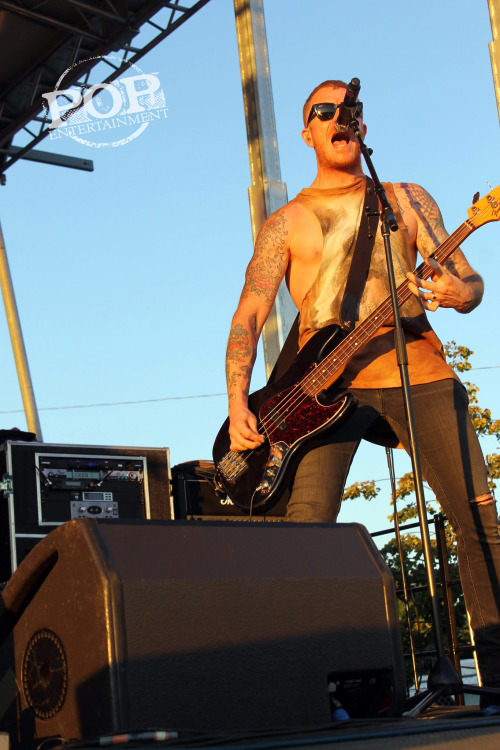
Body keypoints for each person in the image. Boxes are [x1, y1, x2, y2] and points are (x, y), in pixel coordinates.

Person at [224, 79, 500, 696]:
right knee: (307, 533)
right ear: (308, 133)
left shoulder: (405, 198)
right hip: (324, 395)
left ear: (362, 127)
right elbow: (250, 312)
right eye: (323, 111)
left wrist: (462, 293)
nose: (338, 118)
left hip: (419, 371)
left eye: (348, 110)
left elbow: (468, 278)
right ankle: (302, 692)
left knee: (480, 521)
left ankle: (498, 679)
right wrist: (238, 397)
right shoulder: (286, 222)